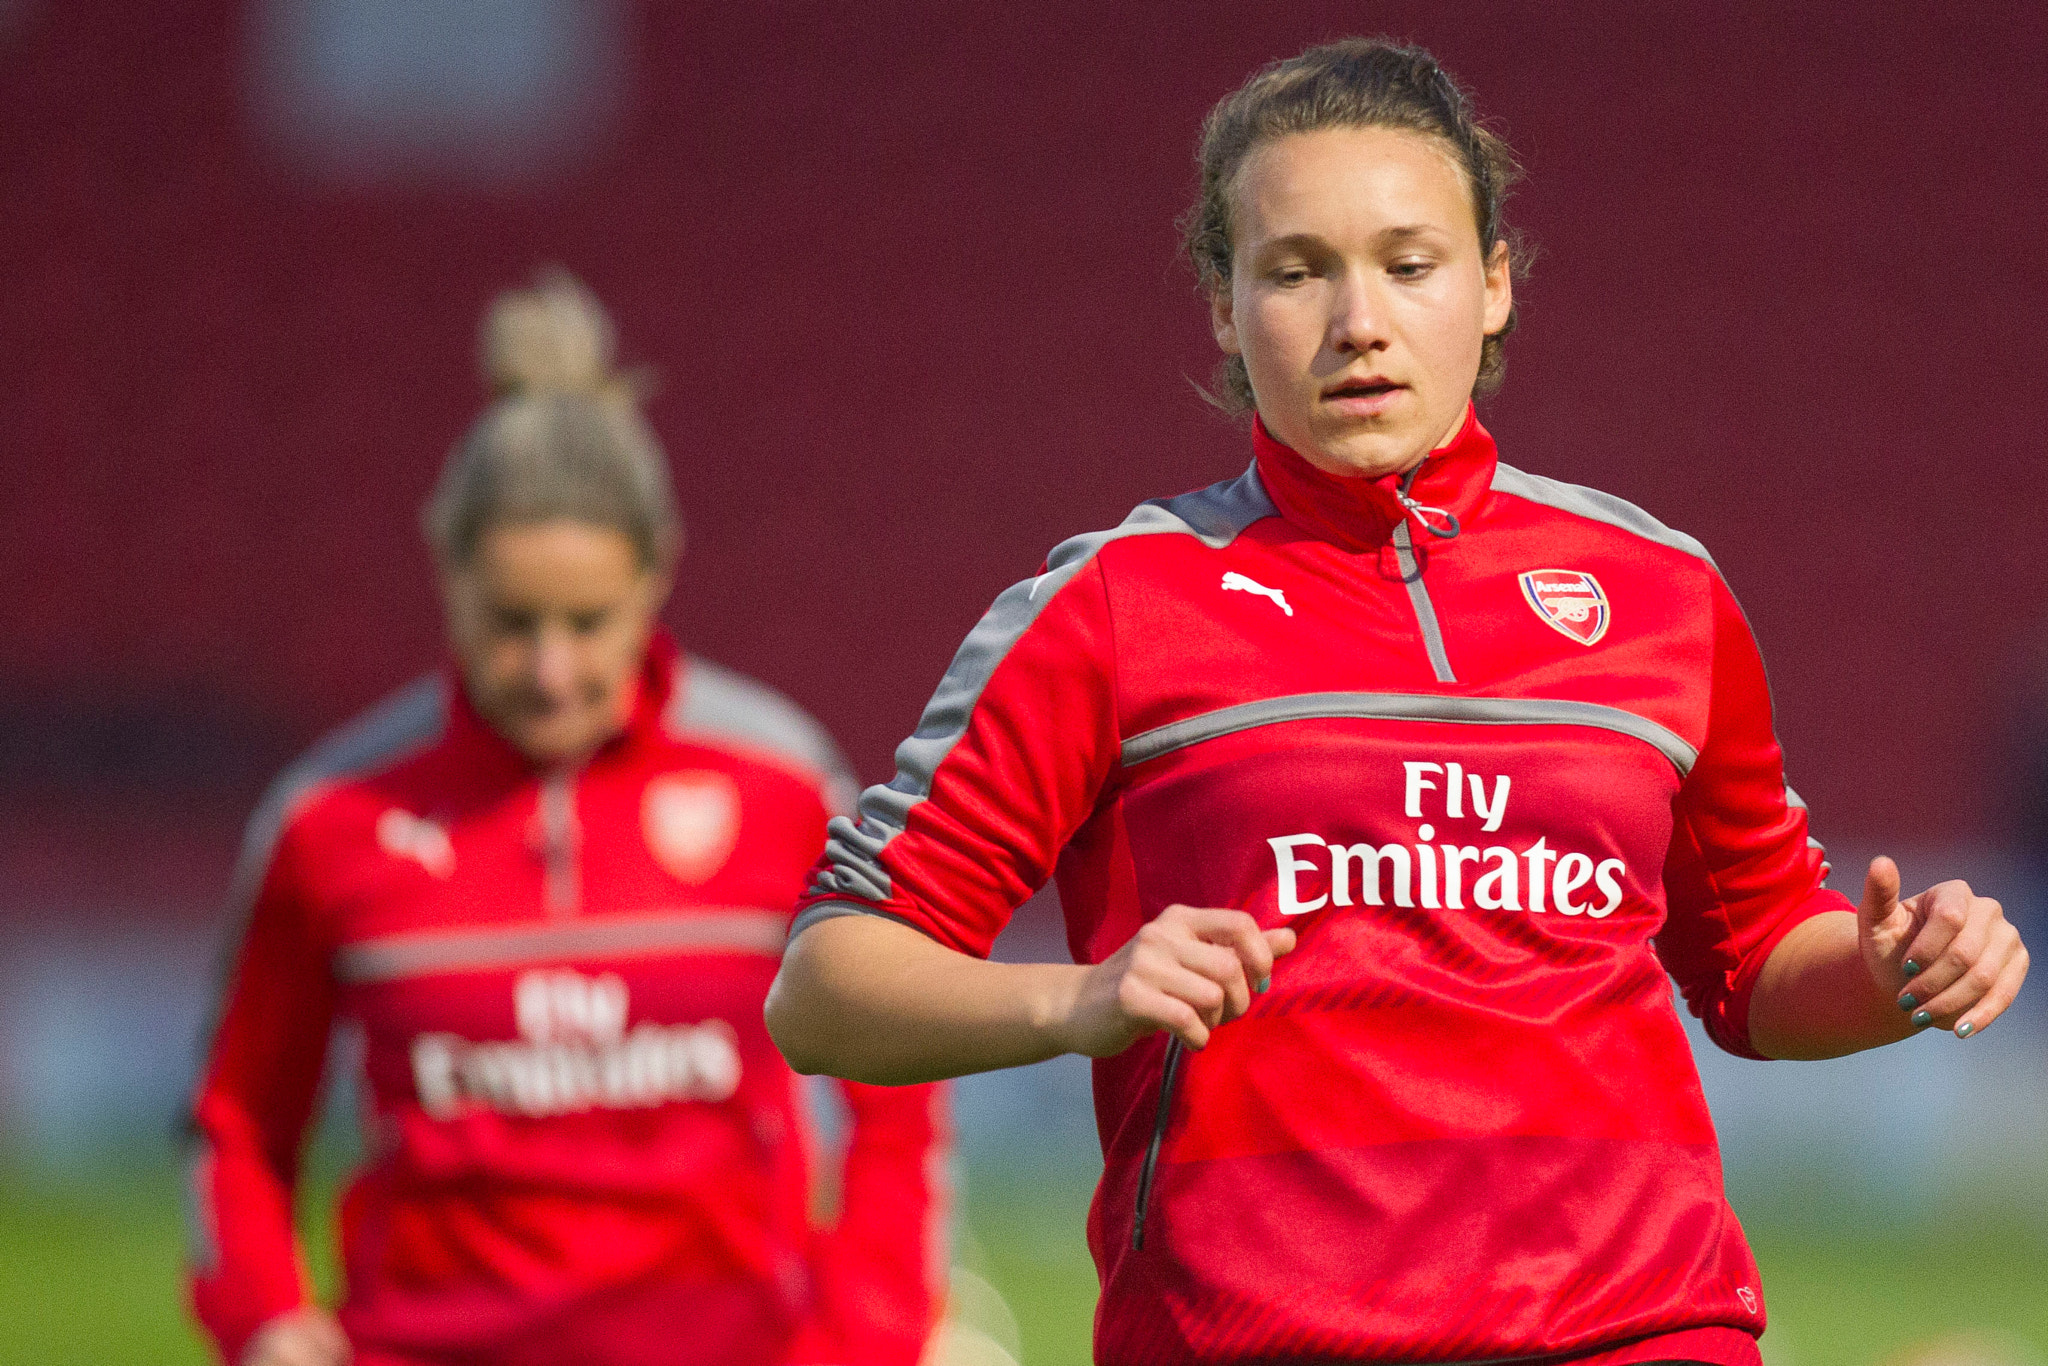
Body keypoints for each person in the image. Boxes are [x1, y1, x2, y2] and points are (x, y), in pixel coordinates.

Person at [765, 39, 2029, 1366]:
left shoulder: (1661, 589)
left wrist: (1898, 973)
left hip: (1644, 1330)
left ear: (1491, 286)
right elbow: (825, 987)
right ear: (1222, 303)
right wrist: (1078, 1001)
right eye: (1296, 269)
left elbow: (1758, 960)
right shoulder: (1114, 605)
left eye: (1408, 264)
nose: (1356, 320)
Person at [186, 271, 948, 1366]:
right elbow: (238, 1125)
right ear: (444, 575)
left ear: (657, 575)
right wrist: (265, 1323)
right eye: (510, 623)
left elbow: (898, 1091)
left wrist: (864, 1339)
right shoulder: (330, 818)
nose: (550, 670)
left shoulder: (782, 787)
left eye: (588, 623)